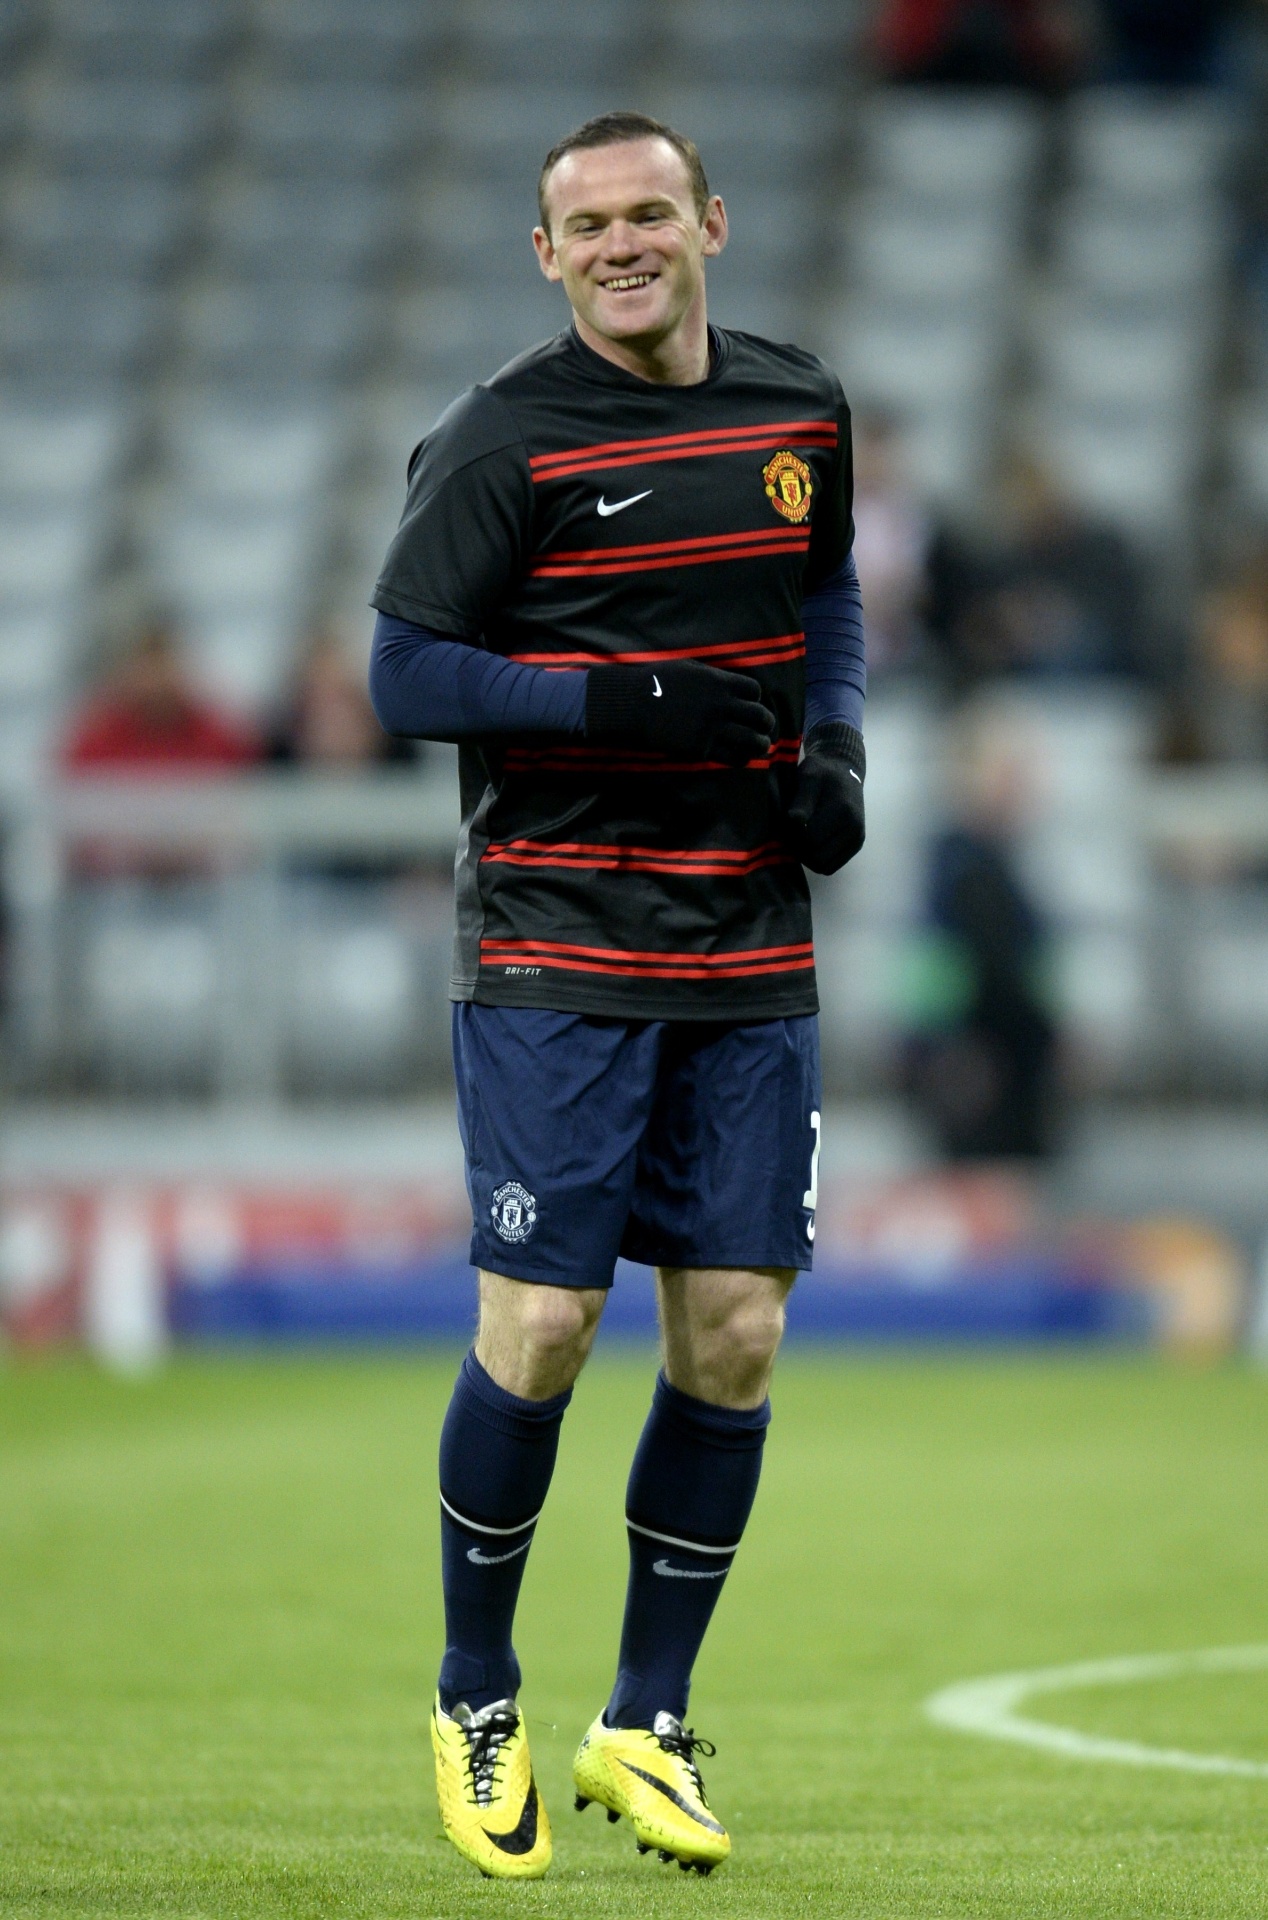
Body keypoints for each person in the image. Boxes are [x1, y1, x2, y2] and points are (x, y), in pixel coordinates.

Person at [369, 111, 866, 1881]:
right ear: (547, 254)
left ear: (710, 222)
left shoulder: (801, 408)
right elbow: (403, 668)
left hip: (746, 937)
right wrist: (616, 710)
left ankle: (644, 1720)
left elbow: (824, 599)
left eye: (649, 211)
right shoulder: (502, 438)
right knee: (544, 1328)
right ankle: (474, 1687)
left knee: (733, 1329)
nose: (621, 243)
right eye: (586, 225)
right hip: (555, 941)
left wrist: (838, 757)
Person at [61, 615, 257, 775]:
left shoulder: (219, 737)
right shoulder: (96, 740)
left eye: (163, 663)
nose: (156, 679)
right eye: (147, 666)